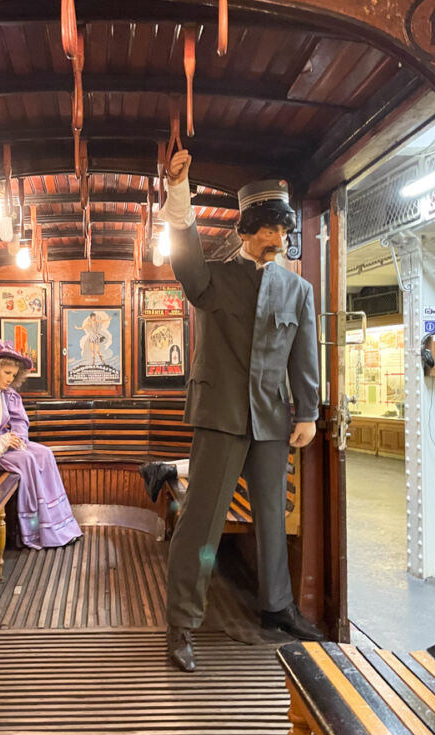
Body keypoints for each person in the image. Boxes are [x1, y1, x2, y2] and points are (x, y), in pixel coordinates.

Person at [157, 150, 324, 672]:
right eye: (269, 228)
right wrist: (180, 192)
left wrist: (308, 411)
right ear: (248, 229)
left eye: (283, 228)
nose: (278, 239)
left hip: (273, 420)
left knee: (273, 518)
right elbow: (184, 256)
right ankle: (182, 623)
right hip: (222, 417)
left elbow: (304, 353)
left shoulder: (299, 290)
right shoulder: (213, 278)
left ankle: (277, 608)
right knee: (202, 525)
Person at [0, 341, 83, 549]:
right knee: (27, 460)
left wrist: (18, 438)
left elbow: (20, 421)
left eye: (13, 375)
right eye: (6, 373)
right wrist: (2, 440)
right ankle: (34, 530)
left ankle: (58, 525)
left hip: (2, 445)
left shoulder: (7, 395)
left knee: (44, 453)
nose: (10, 379)